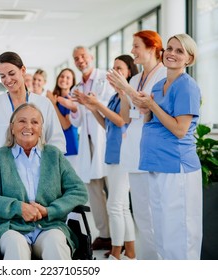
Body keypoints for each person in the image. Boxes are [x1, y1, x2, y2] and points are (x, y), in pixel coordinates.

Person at [0, 103, 88, 259]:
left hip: (49, 226)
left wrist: (49, 210)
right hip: (12, 228)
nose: (28, 126)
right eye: (22, 121)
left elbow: (78, 190)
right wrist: (18, 208)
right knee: (15, 245)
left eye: (34, 122)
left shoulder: (54, 155)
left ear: (41, 129)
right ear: (12, 128)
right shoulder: (0, 157)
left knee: (55, 243)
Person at [132, 34, 202, 259]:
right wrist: (146, 109)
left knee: (179, 235)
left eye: (179, 51)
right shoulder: (160, 84)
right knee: (161, 233)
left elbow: (180, 129)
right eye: (169, 48)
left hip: (177, 167)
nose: (171, 53)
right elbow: (152, 120)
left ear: (189, 59)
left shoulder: (187, 86)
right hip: (157, 164)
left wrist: (152, 104)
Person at [106, 30, 166, 259]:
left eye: (136, 46)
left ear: (152, 48)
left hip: (151, 149)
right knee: (140, 213)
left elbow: (147, 108)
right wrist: (123, 92)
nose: (132, 51)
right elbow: (127, 117)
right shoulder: (134, 79)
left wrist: (127, 88)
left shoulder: (162, 76)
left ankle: (159, 261)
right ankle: (145, 260)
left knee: (153, 213)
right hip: (132, 149)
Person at [77, 55, 139, 260]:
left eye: (119, 69)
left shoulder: (126, 96)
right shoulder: (114, 96)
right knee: (122, 207)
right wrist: (91, 107)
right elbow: (107, 125)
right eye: (113, 68)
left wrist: (97, 104)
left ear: (129, 72)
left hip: (124, 156)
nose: (114, 72)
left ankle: (116, 253)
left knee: (114, 205)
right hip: (113, 155)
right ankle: (129, 253)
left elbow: (122, 120)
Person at [0, 51, 66, 173]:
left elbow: (56, 140)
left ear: (23, 70)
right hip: (3, 172)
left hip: (38, 171)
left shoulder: (44, 104)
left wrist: (51, 167)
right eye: (2, 76)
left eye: (11, 73)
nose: (8, 80)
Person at [58, 46, 113, 252]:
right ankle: (104, 234)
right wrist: (74, 108)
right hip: (87, 143)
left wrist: (91, 103)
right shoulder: (77, 87)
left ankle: (119, 238)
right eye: (76, 58)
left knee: (113, 191)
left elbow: (110, 108)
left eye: (83, 56)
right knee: (94, 191)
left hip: (105, 140)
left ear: (91, 57)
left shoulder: (104, 79)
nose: (80, 60)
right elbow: (79, 120)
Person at [46, 68, 78, 168]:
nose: (64, 79)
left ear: (72, 82)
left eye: (68, 77)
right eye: (62, 76)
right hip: (56, 146)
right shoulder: (55, 99)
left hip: (70, 147)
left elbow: (65, 125)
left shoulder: (71, 100)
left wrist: (53, 104)